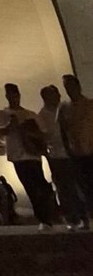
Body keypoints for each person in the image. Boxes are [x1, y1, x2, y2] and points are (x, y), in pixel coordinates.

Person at [0, 84, 58, 225]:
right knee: (30, 187)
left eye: (15, 95)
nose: (13, 98)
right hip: (18, 156)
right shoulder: (4, 113)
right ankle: (43, 217)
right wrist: (11, 125)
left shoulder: (31, 114)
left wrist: (31, 133)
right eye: (10, 95)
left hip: (32, 154)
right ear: (7, 97)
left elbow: (43, 133)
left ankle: (46, 215)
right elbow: (1, 130)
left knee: (39, 184)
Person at [38, 86, 89, 229]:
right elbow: (45, 136)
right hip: (57, 156)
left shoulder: (65, 109)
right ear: (46, 97)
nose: (59, 96)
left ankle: (83, 216)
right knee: (64, 188)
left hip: (73, 152)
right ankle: (72, 218)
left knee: (78, 186)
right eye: (55, 94)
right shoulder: (42, 116)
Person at [63, 76, 93, 218]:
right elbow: (63, 130)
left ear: (78, 86)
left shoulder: (90, 105)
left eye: (71, 86)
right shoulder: (65, 108)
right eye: (66, 87)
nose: (69, 90)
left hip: (90, 149)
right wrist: (68, 149)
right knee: (84, 186)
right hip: (76, 153)